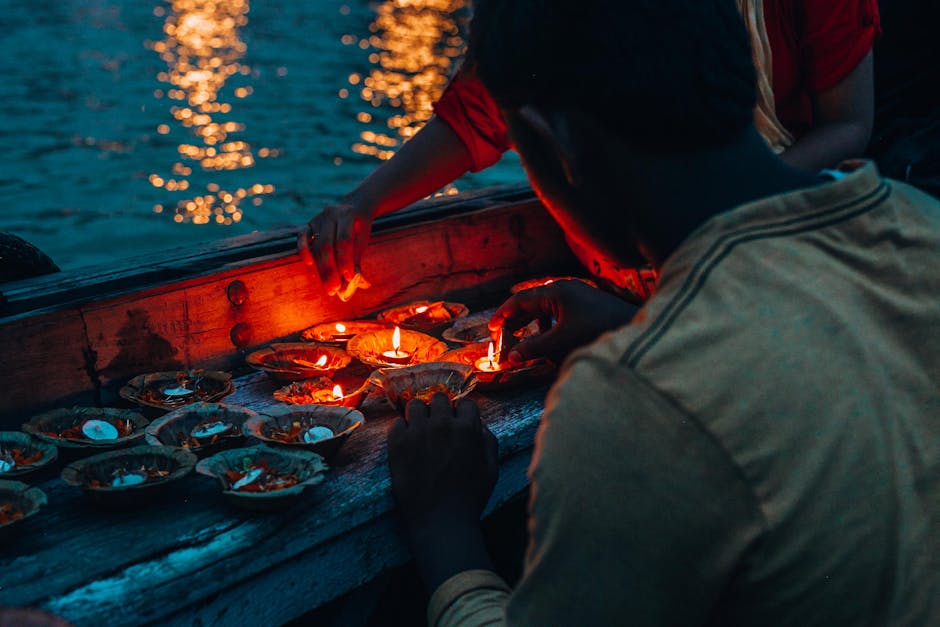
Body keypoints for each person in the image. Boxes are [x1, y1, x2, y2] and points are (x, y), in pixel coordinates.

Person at [386, 0, 940, 625]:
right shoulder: (923, 227)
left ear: (549, 143)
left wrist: (444, 530)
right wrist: (635, 323)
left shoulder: (631, 399)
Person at [299, 1, 881, 302]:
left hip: (771, 243)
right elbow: (485, 107)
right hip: (632, 269)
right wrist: (364, 203)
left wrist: (716, 224)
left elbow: (849, 123)